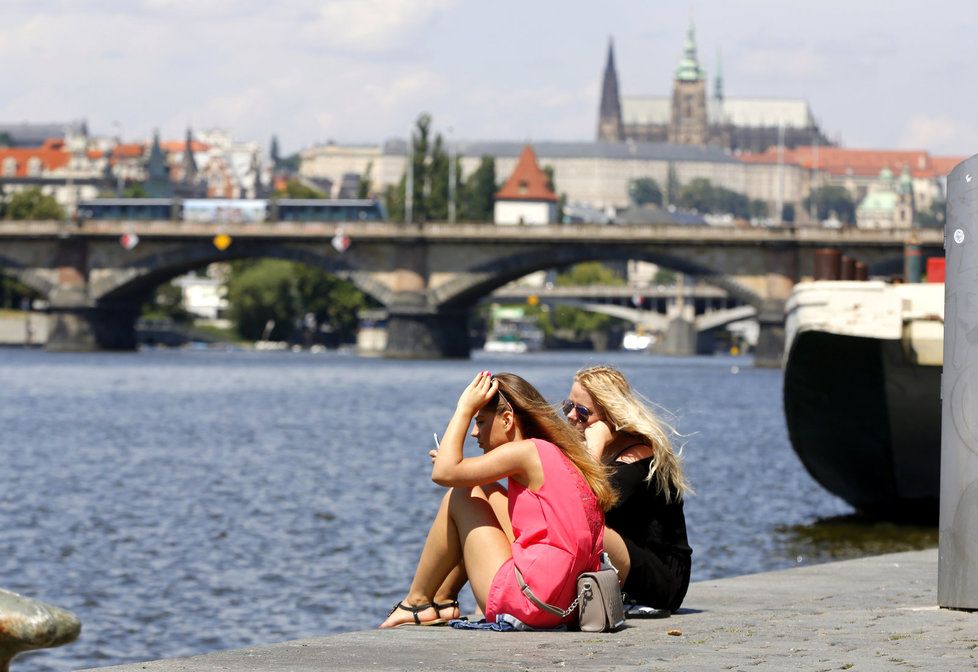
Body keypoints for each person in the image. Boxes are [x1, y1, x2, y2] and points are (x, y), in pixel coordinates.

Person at [379, 370, 617, 629]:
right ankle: (443, 601)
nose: (474, 432)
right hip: (567, 605)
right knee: (480, 488)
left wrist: (464, 407)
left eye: (480, 421)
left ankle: (416, 602)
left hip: (532, 603)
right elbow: (458, 473)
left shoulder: (525, 452)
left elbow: (444, 473)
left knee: (460, 495)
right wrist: (462, 472)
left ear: (506, 419)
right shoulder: (552, 452)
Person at [563, 365, 692, 613]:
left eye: (582, 412)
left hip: (662, 582)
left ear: (611, 416)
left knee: (584, 521)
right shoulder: (611, 453)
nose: (571, 416)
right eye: (568, 406)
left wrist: (595, 446)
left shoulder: (636, 461)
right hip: (629, 564)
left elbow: (579, 504)